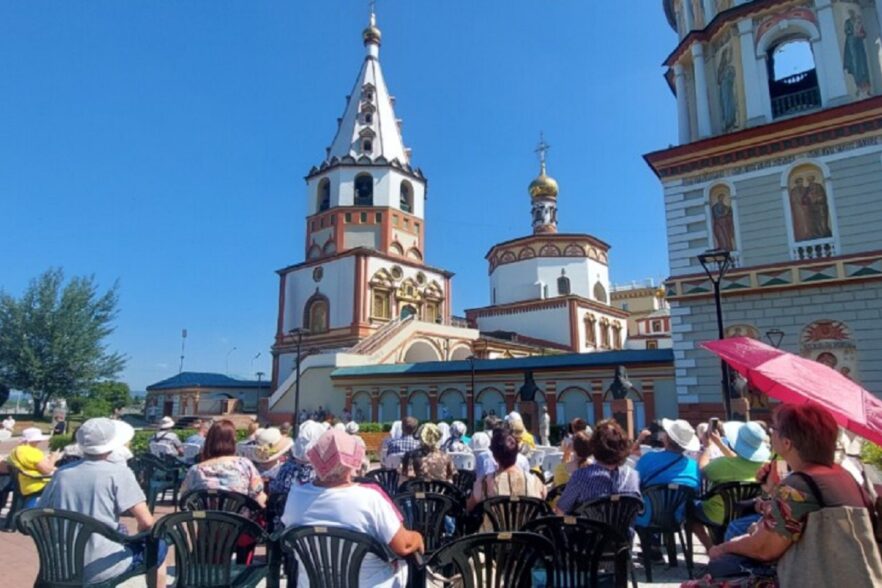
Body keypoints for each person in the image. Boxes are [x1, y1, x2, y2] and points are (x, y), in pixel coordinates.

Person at [707, 404, 872, 578]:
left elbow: (764, 549)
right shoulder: (843, 475)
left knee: (720, 565)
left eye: (774, 429)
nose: (771, 434)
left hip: (818, 577)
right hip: (848, 572)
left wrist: (722, 547)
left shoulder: (799, 484)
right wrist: (771, 489)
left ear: (787, 443)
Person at [281, 429, 424, 587]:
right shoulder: (369, 498)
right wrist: (417, 537)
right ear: (351, 464)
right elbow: (403, 546)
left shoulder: (296, 495)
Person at [38, 418, 169, 586]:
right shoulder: (119, 473)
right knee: (159, 547)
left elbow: (42, 512)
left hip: (61, 563)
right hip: (100, 565)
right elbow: (147, 522)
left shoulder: (62, 473)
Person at [696, 421, 769, 536]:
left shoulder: (724, 464)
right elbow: (740, 460)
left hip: (718, 514)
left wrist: (708, 447)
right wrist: (719, 444)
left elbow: (702, 470)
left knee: (690, 510)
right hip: (748, 515)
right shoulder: (766, 466)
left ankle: (709, 547)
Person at [555, 419, 640, 515]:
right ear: (623, 445)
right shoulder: (633, 477)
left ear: (593, 446)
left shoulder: (581, 476)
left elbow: (560, 511)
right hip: (623, 529)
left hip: (591, 529)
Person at [180, 420, 266, 506]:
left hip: (205, 518)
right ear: (232, 440)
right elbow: (257, 494)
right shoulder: (244, 464)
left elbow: (184, 497)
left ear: (209, 441)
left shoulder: (195, 470)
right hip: (239, 518)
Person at [634, 418, 701, 528]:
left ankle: (651, 543)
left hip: (647, 517)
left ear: (667, 438)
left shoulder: (648, 459)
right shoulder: (694, 466)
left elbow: (635, 485)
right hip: (679, 517)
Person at [467, 428, 546, 511]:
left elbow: (469, 507)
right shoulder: (534, 482)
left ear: (494, 456)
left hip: (495, 524)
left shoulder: (484, 484)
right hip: (526, 523)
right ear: (516, 453)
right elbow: (544, 498)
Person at [7, 427, 61, 507]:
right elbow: (47, 471)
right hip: (36, 484)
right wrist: (53, 458)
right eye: (38, 440)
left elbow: (34, 465)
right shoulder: (30, 452)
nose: (39, 441)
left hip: (24, 483)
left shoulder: (16, 450)